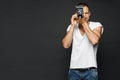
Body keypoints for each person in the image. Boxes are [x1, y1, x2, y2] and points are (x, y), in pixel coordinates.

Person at [62, 2, 104, 80]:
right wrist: (72, 25)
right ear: (77, 14)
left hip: (90, 71)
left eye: (86, 13)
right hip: (73, 70)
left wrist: (84, 23)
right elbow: (65, 45)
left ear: (89, 14)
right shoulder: (71, 27)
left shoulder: (97, 25)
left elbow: (94, 41)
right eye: (82, 13)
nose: (84, 15)